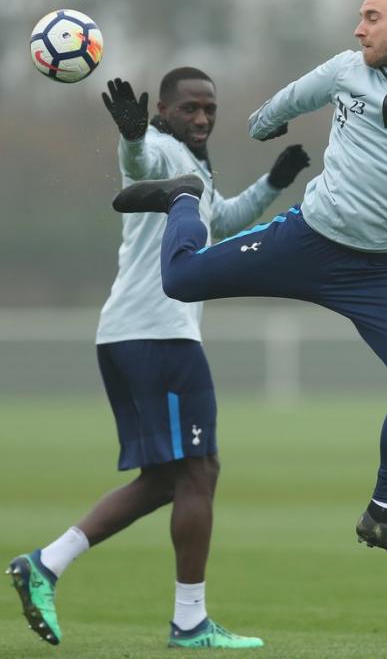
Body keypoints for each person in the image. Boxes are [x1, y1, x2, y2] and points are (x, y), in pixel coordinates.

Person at [112, 0, 387, 577]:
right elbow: (264, 116)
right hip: (307, 241)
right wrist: (267, 124)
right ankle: (181, 199)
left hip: (379, 271)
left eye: (371, 17)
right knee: (180, 280)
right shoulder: (342, 70)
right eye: (359, 17)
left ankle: (383, 514)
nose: (359, 28)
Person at [6, 67, 309, 649]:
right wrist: (131, 135)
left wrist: (273, 181)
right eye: (190, 108)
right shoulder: (160, 149)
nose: (201, 118)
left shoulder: (193, 166)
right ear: (164, 111)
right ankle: (189, 623)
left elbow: (218, 222)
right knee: (200, 471)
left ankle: (46, 563)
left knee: (169, 479)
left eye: (209, 110)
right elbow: (139, 169)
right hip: (159, 336)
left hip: (134, 335)